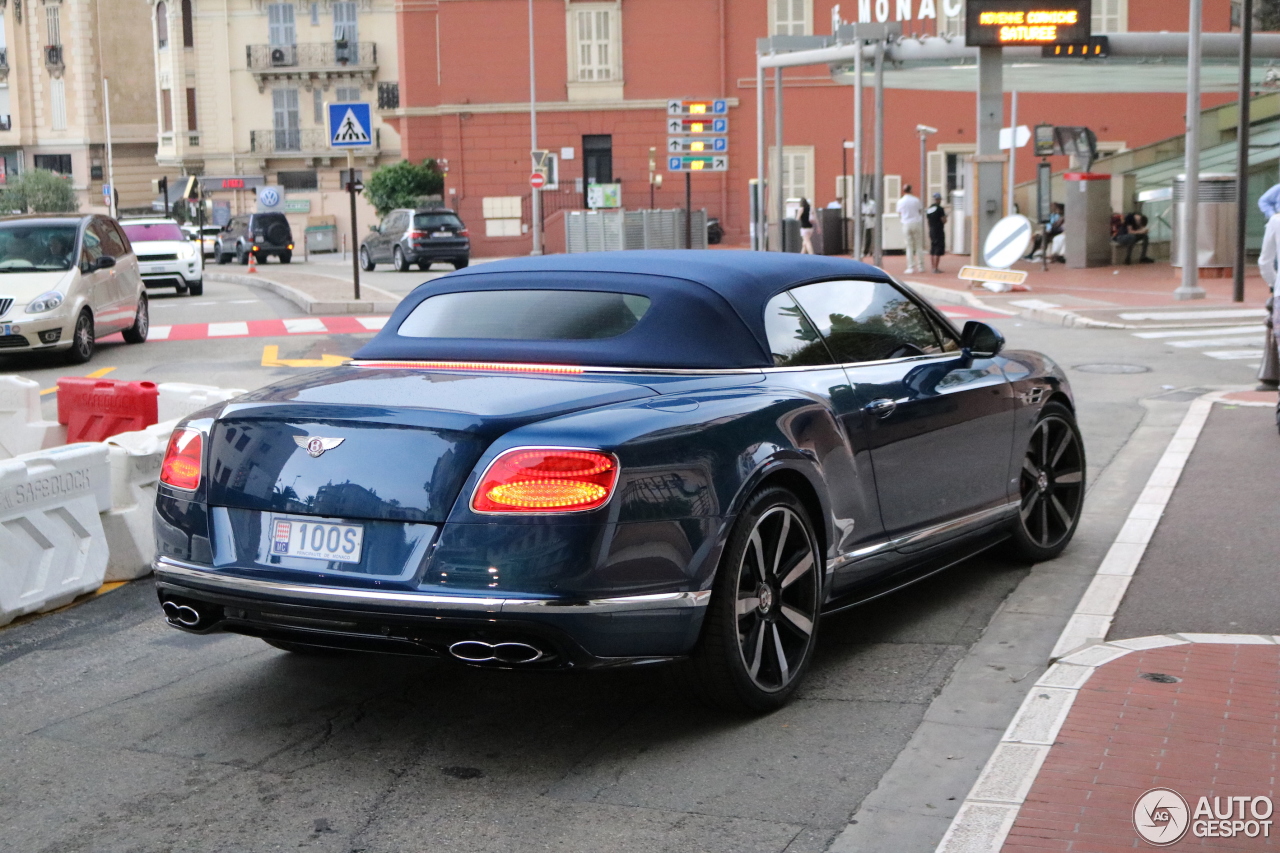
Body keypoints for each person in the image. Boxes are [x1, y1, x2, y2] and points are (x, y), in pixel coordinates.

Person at [897, 184, 924, 274]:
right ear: (911, 190)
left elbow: (899, 213)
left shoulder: (900, 201)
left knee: (909, 246)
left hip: (906, 223)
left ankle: (910, 267)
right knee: (919, 246)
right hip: (916, 222)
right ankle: (921, 266)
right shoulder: (916, 200)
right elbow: (920, 211)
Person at [926, 193, 947, 274]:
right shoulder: (940, 209)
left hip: (932, 230)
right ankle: (936, 268)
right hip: (939, 230)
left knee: (933, 248)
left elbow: (928, 221)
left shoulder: (929, 209)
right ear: (938, 199)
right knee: (938, 249)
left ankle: (932, 267)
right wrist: (945, 218)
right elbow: (943, 220)